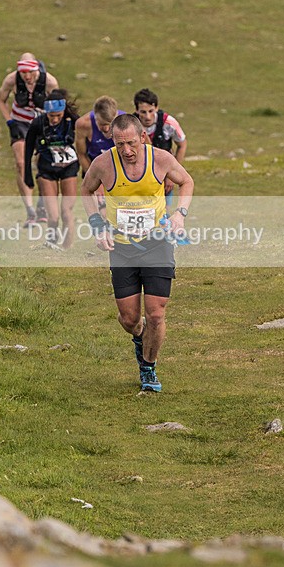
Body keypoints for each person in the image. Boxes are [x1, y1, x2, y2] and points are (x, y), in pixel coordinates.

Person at [81, 113, 194, 393]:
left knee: (156, 314)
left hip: (157, 243)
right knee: (130, 319)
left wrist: (180, 214)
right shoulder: (103, 163)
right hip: (122, 249)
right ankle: (141, 336)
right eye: (119, 145)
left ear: (142, 137)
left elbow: (187, 181)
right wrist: (97, 225)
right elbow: (85, 191)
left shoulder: (161, 159)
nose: (126, 151)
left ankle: (148, 367)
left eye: (131, 143)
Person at [0, 52, 59, 225]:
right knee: (21, 163)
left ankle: (41, 206)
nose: (27, 77)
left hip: (42, 123)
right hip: (20, 123)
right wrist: (10, 121)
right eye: (23, 73)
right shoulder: (12, 79)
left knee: (42, 164)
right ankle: (30, 211)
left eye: (30, 73)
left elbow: (58, 103)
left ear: (36, 70)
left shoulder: (49, 81)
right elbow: (1, 100)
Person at [24, 89, 80, 250]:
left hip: (69, 167)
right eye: (51, 116)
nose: (55, 119)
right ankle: (52, 242)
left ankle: (67, 247)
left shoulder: (72, 120)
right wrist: (28, 175)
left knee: (66, 211)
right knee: (54, 216)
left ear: (63, 112)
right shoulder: (38, 123)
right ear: (46, 113)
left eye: (58, 116)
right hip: (46, 169)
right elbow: (27, 150)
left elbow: (87, 135)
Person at [133, 88, 187, 202]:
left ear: (156, 108)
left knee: (164, 211)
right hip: (138, 174)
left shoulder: (168, 122)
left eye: (151, 111)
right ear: (137, 110)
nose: (148, 116)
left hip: (164, 173)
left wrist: (172, 174)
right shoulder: (130, 124)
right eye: (143, 112)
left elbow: (182, 144)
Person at [75, 95, 123, 212]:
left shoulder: (125, 123)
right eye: (101, 124)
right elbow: (82, 155)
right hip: (95, 170)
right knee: (103, 213)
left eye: (110, 124)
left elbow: (143, 149)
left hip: (121, 172)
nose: (106, 129)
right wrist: (96, 180)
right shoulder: (83, 124)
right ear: (95, 116)